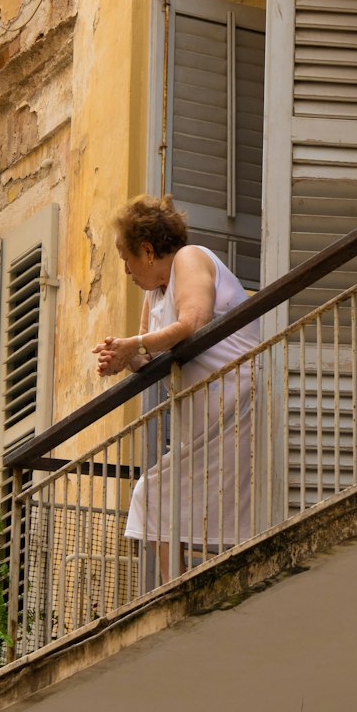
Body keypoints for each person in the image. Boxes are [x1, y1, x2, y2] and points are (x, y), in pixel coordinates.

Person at [92, 195, 259, 575]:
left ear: (147, 251)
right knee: (158, 497)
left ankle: (176, 591)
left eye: (125, 259)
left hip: (237, 404)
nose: (125, 271)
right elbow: (149, 357)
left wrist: (134, 344)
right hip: (204, 420)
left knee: (154, 494)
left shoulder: (191, 258)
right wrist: (122, 358)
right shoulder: (153, 293)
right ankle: (176, 587)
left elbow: (193, 322)